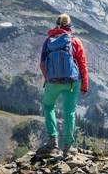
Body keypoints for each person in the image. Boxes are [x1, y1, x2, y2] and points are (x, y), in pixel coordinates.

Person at [37, 14, 88, 156]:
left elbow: (42, 63)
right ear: (69, 26)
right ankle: (68, 146)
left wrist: (48, 78)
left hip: (52, 82)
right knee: (69, 112)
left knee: (49, 107)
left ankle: (52, 140)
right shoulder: (74, 41)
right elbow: (82, 64)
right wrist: (84, 84)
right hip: (72, 82)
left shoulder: (48, 41)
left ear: (57, 25)